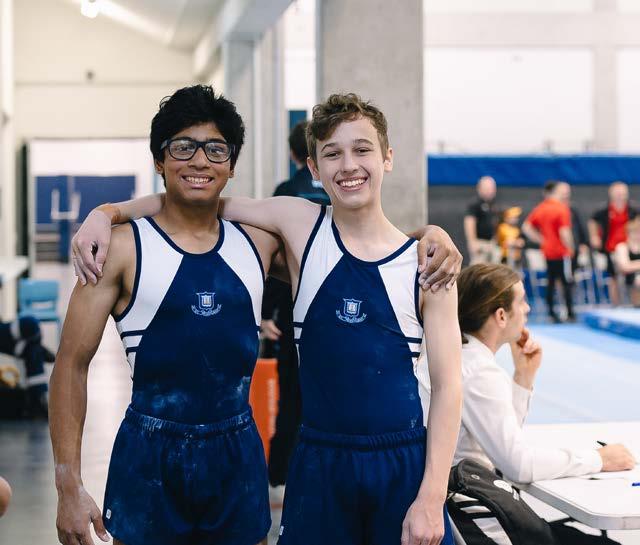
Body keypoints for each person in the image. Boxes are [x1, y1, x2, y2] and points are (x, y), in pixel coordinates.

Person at [72, 93, 464, 545]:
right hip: (318, 464)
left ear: (387, 158)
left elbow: (449, 386)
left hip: (402, 464)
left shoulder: (427, 265)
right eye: (332, 154)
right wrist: (106, 213)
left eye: (362, 150)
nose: (349, 165)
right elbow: (198, 198)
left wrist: (432, 496)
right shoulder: (298, 224)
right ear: (313, 168)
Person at [50, 85, 282, 545]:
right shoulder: (119, 250)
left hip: (237, 454)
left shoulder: (259, 243)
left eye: (216, 149)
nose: (200, 161)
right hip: (149, 457)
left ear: (232, 164)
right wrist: (68, 487)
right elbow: (70, 367)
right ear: (159, 160)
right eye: (183, 147)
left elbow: (357, 248)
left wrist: (424, 235)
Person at [418, 263, 636, 544]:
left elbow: (508, 443)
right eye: (521, 301)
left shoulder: (462, 356)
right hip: (471, 512)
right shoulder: (478, 370)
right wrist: (599, 459)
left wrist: (523, 378)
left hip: (465, 500)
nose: (528, 309)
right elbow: (517, 465)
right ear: (500, 315)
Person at [262, 120, 329, 489]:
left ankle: (280, 472)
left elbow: (274, 258)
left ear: (293, 154)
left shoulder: (286, 193)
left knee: (291, 395)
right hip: (334, 306)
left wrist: (266, 313)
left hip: (292, 308)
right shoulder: (339, 191)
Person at [522, 181, 575, 323]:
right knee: (566, 281)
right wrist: (571, 248)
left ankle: (551, 312)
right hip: (561, 252)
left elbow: (526, 227)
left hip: (548, 252)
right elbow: (564, 232)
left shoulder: (541, 208)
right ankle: (570, 313)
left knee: (551, 281)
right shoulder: (561, 208)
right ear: (555, 192)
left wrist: (542, 240)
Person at [589, 181, 638, 306]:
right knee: (613, 276)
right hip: (610, 248)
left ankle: (636, 304)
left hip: (630, 247)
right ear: (611, 194)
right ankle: (616, 305)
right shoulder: (604, 210)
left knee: (633, 277)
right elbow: (592, 221)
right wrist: (594, 236)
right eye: (618, 193)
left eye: (623, 193)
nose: (620, 196)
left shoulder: (633, 210)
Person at [464, 176, 499, 264]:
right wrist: (472, 242)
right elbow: (469, 223)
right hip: (480, 244)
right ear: (479, 189)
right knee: (479, 268)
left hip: (491, 243)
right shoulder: (475, 204)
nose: (490, 191)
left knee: (494, 268)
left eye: (492, 188)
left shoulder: (492, 205)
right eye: (487, 188)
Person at [615, 216, 640, 307]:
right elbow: (625, 267)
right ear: (628, 233)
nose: (638, 235)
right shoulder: (622, 247)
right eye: (635, 233)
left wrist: (634, 265)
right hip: (628, 279)